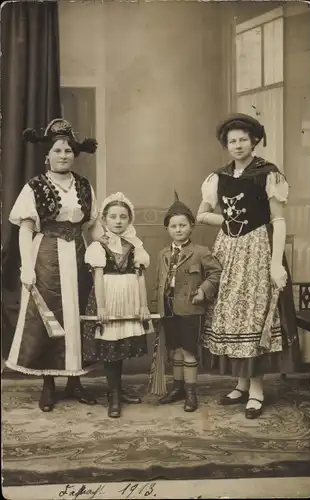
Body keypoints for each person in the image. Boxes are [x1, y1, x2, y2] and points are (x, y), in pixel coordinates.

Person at [197, 113, 300, 419]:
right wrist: (226, 219)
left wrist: (275, 264)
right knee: (232, 315)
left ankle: (256, 390)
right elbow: (202, 213)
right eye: (232, 141)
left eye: (243, 139)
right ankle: (241, 384)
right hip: (228, 251)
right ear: (226, 145)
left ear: (254, 141)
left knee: (253, 317)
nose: (238, 145)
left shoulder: (267, 173)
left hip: (258, 249)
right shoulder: (219, 177)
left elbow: (278, 221)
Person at [6, 118, 99, 412]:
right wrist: (27, 267)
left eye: (69, 151)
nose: (64, 155)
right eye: (58, 150)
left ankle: (75, 382)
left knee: (79, 313)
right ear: (47, 155)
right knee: (52, 316)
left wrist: (105, 251)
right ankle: (49, 384)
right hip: (46, 254)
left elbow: (94, 226)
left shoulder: (84, 186)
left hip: (79, 253)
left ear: (75, 155)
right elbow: (25, 228)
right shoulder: (35, 186)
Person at [83, 192, 152, 418]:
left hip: (129, 299)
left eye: (123, 216)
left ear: (129, 220)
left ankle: (118, 390)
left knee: (121, 346)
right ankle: (113, 394)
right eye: (113, 217)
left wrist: (143, 306)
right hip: (108, 298)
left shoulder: (135, 246)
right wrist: (101, 308)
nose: (118, 221)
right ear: (104, 220)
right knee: (110, 347)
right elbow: (98, 279)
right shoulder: (98, 246)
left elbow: (140, 276)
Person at [152, 193, 222, 412]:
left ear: (191, 227)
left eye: (183, 225)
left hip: (191, 308)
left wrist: (203, 291)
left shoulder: (200, 252)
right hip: (168, 308)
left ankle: (191, 393)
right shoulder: (163, 254)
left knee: (189, 350)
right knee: (175, 351)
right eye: (173, 226)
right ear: (168, 229)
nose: (178, 230)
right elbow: (159, 283)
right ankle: (178, 388)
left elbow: (216, 274)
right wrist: (156, 308)